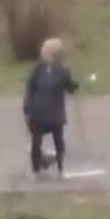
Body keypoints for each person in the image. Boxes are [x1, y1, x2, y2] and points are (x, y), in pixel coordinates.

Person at [23, 37, 78, 179]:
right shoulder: (38, 69)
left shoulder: (62, 71)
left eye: (47, 52)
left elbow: (69, 87)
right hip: (38, 110)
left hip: (54, 112)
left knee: (58, 140)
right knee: (36, 141)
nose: (43, 54)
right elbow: (30, 87)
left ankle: (60, 167)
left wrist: (74, 85)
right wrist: (27, 106)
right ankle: (36, 169)